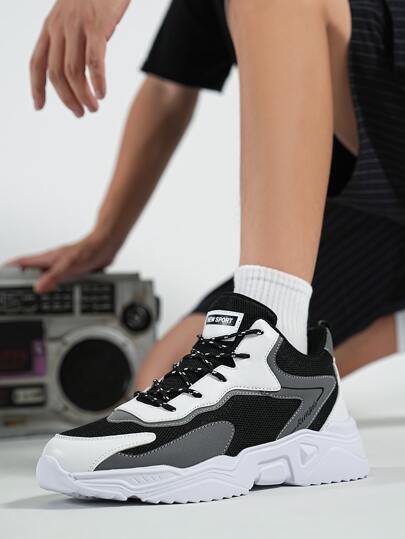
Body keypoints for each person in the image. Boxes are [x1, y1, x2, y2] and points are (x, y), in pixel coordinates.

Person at [18, 0, 405, 501]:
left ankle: (270, 350)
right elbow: (168, 90)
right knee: (167, 376)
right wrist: (104, 237)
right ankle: (293, 389)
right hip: (377, 214)